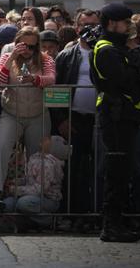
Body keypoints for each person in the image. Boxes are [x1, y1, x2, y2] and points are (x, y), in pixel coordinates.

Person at [90, 2, 140, 243]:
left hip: (126, 116)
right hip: (115, 116)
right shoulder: (106, 49)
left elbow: (138, 81)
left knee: (123, 171)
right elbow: (123, 80)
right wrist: (136, 61)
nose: (129, 26)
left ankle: (118, 221)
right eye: (125, 22)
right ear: (111, 23)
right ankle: (111, 225)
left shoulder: (119, 48)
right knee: (116, 172)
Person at [0, 27, 55, 213]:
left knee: (37, 157)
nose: (28, 50)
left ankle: (33, 200)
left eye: (33, 47)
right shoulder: (7, 56)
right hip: (11, 113)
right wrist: (11, 58)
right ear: (17, 43)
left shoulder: (45, 59)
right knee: (1, 148)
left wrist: (35, 79)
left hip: (37, 115)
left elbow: (51, 78)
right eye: (25, 45)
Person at [51, 14, 101, 221]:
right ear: (77, 27)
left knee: (97, 168)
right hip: (74, 119)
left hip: (99, 120)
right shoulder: (65, 56)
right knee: (74, 168)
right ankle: (72, 213)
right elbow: (54, 91)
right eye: (84, 24)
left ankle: (95, 213)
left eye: (93, 24)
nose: (89, 29)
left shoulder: (105, 53)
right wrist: (61, 119)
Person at [3, 135, 71, 230]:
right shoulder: (35, 158)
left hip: (48, 200)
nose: (45, 138)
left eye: (49, 139)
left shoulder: (49, 164)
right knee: (7, 205)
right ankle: (28, 222)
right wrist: (15, 182)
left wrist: (14, 189)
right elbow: (28, 179)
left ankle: (50, 220)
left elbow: (39, 189)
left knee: (24, 203)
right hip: (31, 194)